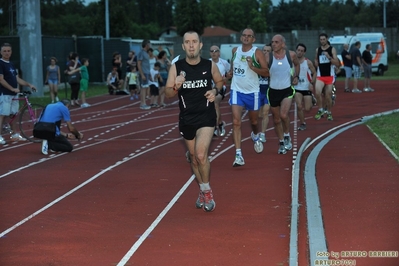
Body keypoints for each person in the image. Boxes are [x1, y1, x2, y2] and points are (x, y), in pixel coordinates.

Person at [165, 30, 224, 212]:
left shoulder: (210, 65)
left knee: (200, 155)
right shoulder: (176, 67)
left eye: (194, 42)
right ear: (183, 46)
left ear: (200, 45)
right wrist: (177, 85)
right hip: (187, 118)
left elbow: (221, 84)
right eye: (187, 42)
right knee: (193, 159)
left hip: (206, 116)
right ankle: (201, 188)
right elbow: (167, 94)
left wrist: (215, 92)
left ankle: (207, 191)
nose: (191, 45)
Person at [226, 28, 269, 166]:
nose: (246, 38)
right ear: (241, 37)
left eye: (249, 36)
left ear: (253, 39)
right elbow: (233, 68)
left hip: (252, 92)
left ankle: (255, 135)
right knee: (236, 122)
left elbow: (266, 72)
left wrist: (252, 67)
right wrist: (230, 74)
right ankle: (238, 154)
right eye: (244, 35)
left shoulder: (257, 53)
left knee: (254, 122)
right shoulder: (235, 51)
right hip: (236, 90)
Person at [265, 34, 299, 154]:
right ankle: (281, 142)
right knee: (276, 119)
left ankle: (287, 135)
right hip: (273, 90)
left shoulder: (291, 55)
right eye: (272, 42)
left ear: (283, 44)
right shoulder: (268, 57)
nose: (273, 44)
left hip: (287, 89)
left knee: (284, 115)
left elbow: (297, 64)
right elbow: (262, 69)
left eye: (276, 42)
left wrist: (296, 76)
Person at [0, 43, 37, 145]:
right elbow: (1, 80)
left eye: (8, 51)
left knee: (14, 114)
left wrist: (29, 84)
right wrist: (12, 88)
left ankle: (14, 134)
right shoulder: (1, 63)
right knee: (3, 114)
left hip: (14, 93)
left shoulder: (11, 64)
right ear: (1, 52)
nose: (7, 53)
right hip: (5, 93)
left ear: (11, 52)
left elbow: (17, 79)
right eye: (4, 51)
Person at [314, 33, 341, 121]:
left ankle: (329, 112)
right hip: (320, 75)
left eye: (323, 39)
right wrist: (316, 63)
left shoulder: (332, 49)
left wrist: (329, 57)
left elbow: (337, 63)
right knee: (317, 92)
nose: (322, 41)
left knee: (328, 96)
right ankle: (320, 109)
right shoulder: (317, 50)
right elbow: (316, 59)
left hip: (330, 76)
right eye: (321, 39)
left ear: (327, 39)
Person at [294, 43, 316, 131]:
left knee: (307, 108)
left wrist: (312, 83)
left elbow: (314, 73)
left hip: (306, 87)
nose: (299, 52)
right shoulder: (292, 62)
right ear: (296, 51)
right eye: (298, 50)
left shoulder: (308, 62)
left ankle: (312, 99)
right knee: (299, 106)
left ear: (304, 53)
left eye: (301, 51)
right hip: (297, 88)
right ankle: (303, 123)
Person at [209, 45, 230, 137]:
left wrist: (225, 79)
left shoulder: (224, 63)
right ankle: (220, 123)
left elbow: (230, 74)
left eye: (215, 51)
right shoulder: (206, 63)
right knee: (211, 106)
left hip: (220, 88)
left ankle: (213, 128)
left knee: (215, 102)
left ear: (219, 53)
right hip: (209, 88)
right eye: (211, 51)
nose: (213, 53)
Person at [258, 43, 272, 142]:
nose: (266, 53)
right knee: (259, 115)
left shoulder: (273, 64)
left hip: (268, 91)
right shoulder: (257, 64)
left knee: (265, 112)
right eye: (264, 51)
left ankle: (262, 134)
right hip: (257, 91)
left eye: (268, 51)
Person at [137, 39, 152, 110]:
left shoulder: (146, 53)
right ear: (147, 45)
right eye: (149, 44)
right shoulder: (141, 53)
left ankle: (143, 103)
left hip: (147, 72)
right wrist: (142, 74)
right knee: (143, 88)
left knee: (145, 88)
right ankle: (142, 103)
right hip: (144, 72)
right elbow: (139, 64)